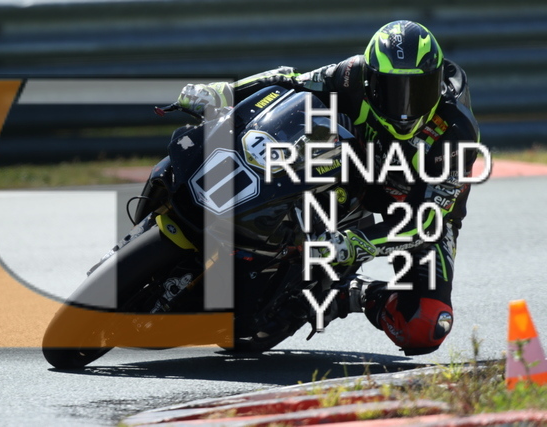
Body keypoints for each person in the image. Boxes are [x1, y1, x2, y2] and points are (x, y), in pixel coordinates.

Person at [174, 20, 480, 356]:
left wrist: (358, 242)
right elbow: (288, 82)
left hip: (419, 208)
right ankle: (262, 232)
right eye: (393, 90)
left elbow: (425, 222)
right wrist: (224, 93)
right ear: (371, 79)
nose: (405, 108)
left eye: (417, 91)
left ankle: (350, 294)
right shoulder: (352, 74)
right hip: (357, 169)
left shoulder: (455, 132)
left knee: (424, 325)